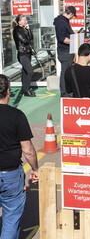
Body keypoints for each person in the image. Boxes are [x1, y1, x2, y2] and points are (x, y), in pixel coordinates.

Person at [0, 74, 39, 238]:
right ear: (8, 92)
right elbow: (28, 149)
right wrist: (36, 168)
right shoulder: (17, 115)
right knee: (11, 218)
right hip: (10, 174)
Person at [54, 6, 77, 97]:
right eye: (73, 16)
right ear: (70, 14)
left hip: (66, 50)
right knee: (65, 72)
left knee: (66, 71)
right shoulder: (61, 22)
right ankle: (64, 93)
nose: (72, 18)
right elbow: (62, 38)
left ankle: (66, 91)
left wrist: (72, 33)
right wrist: (74, 41)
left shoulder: (62, 20)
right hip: (65, 51)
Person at [12, 15, 35, 97]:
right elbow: (24, 40)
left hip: (27, 52)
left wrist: (28, 30)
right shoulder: (17, 30)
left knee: (25, 72)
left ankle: (25, 90)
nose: (26, 21)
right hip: (22, 54)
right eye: (24, 20)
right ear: (19, 22)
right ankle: (26, 89)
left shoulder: (25, 29)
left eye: (26, 19)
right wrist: (28, 39)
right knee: (30, 72)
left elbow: (31, 38)